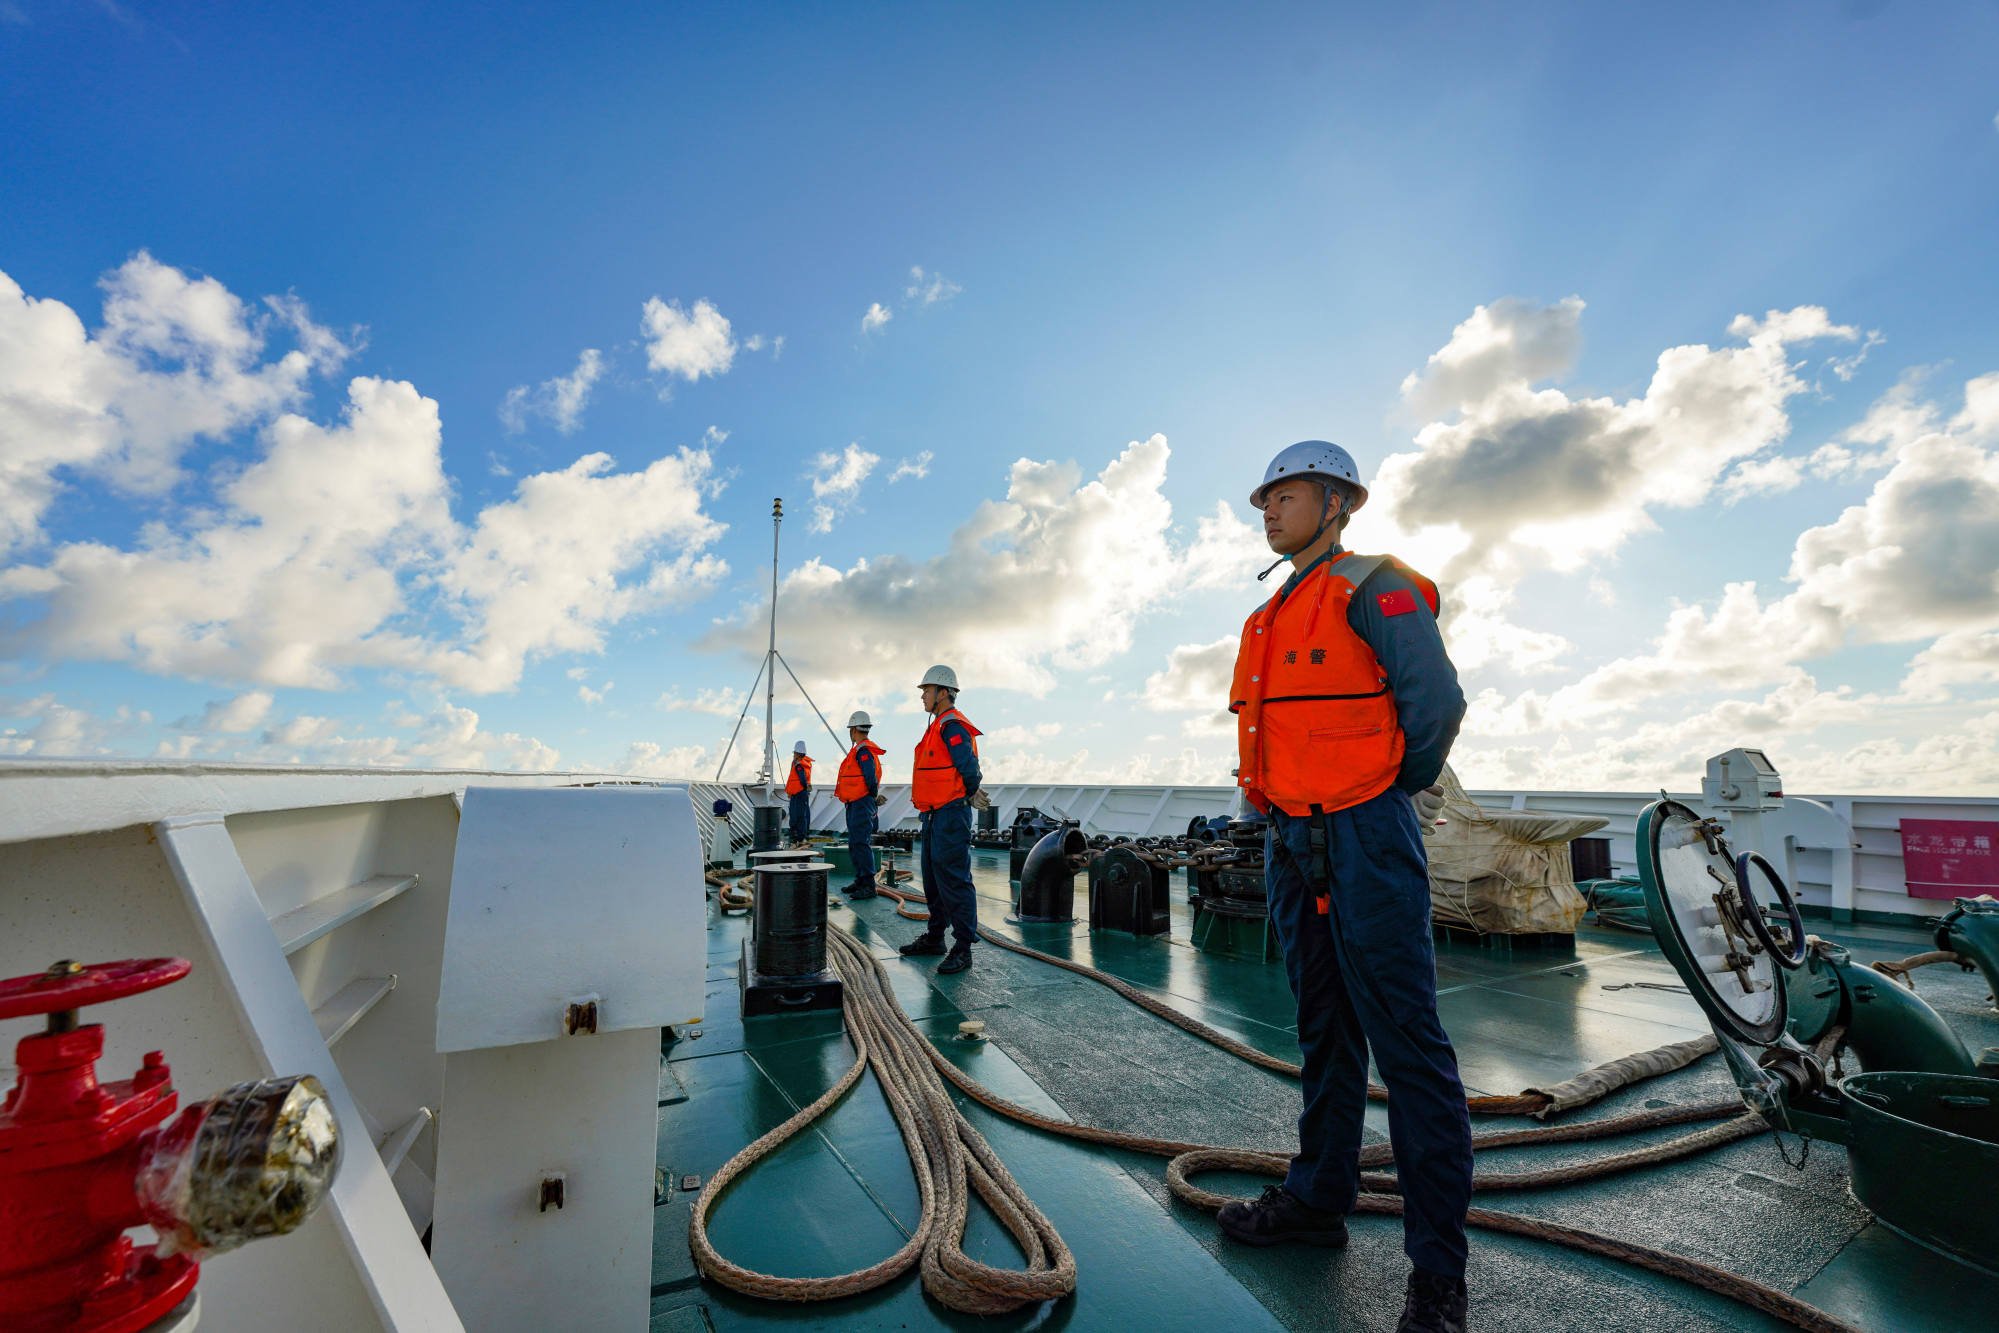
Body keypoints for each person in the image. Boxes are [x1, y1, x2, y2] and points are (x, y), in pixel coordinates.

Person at [1218, 440, 1472, 1333]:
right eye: (1264, 498)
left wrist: (1385, 789)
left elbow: (1433, 702)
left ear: (1336, 503)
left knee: (1408, 1045)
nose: (1268, 510)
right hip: (1290, 839)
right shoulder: (1270, 613)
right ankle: (1318, 1200)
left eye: (1283, 495)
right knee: (1321, 1026)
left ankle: (1437, 1275)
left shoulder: (1376, 585)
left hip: (1365, 833)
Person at [899, 664, 985, 974]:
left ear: (943, 692)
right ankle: (935, 937)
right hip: (933, 815)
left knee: (954, 880)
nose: (922, 696)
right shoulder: (937, 726)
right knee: (933, 880)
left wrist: (968, 793)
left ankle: (963, 948)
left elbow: (970, 769)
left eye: (926, 690)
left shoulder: (952, 725)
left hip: (950, 814)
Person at [835, 710, 887, 899]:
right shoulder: (860, 750)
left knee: (860, 842)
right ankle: (860, 880)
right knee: (854, 842)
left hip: (861, 802)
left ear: (854, 729)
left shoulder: (864, 751)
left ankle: (868, 885)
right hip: (855, 802)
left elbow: (870, 778)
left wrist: (871, 798)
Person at [783, 740, 813, 845]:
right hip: (800, 793)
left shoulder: (799, 765)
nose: (793, 755)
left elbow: (802, 780)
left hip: (799, 793)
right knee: (801, 814)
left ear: (797, 753)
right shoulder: (803, 764)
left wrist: (804, 788)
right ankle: (800, 836)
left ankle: (799, 837)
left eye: (794, 753)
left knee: (798, 815)